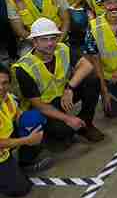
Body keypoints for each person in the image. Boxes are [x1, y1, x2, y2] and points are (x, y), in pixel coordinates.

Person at [14, 18, 104, 146]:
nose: (50, 43)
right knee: (63, 134)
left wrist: (70, 88)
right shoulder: (23, 68)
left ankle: (86, 124)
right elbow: (39, 105)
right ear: (34, 42)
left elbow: (87, 66)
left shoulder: (62, 49)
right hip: (44, 106)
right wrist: (68, 119)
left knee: (92, 80)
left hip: (63, 95)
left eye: (53, 38)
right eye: (44, 39)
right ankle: (53, 133)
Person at [0, 66, 52, 197]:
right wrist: (27, 140)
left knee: (33, 119)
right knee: (21, 189)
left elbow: (17, 114)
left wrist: (27, 123)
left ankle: (24, 162)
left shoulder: (8, 98)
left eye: (4, 83)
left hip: (4, 142)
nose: (1, 88)